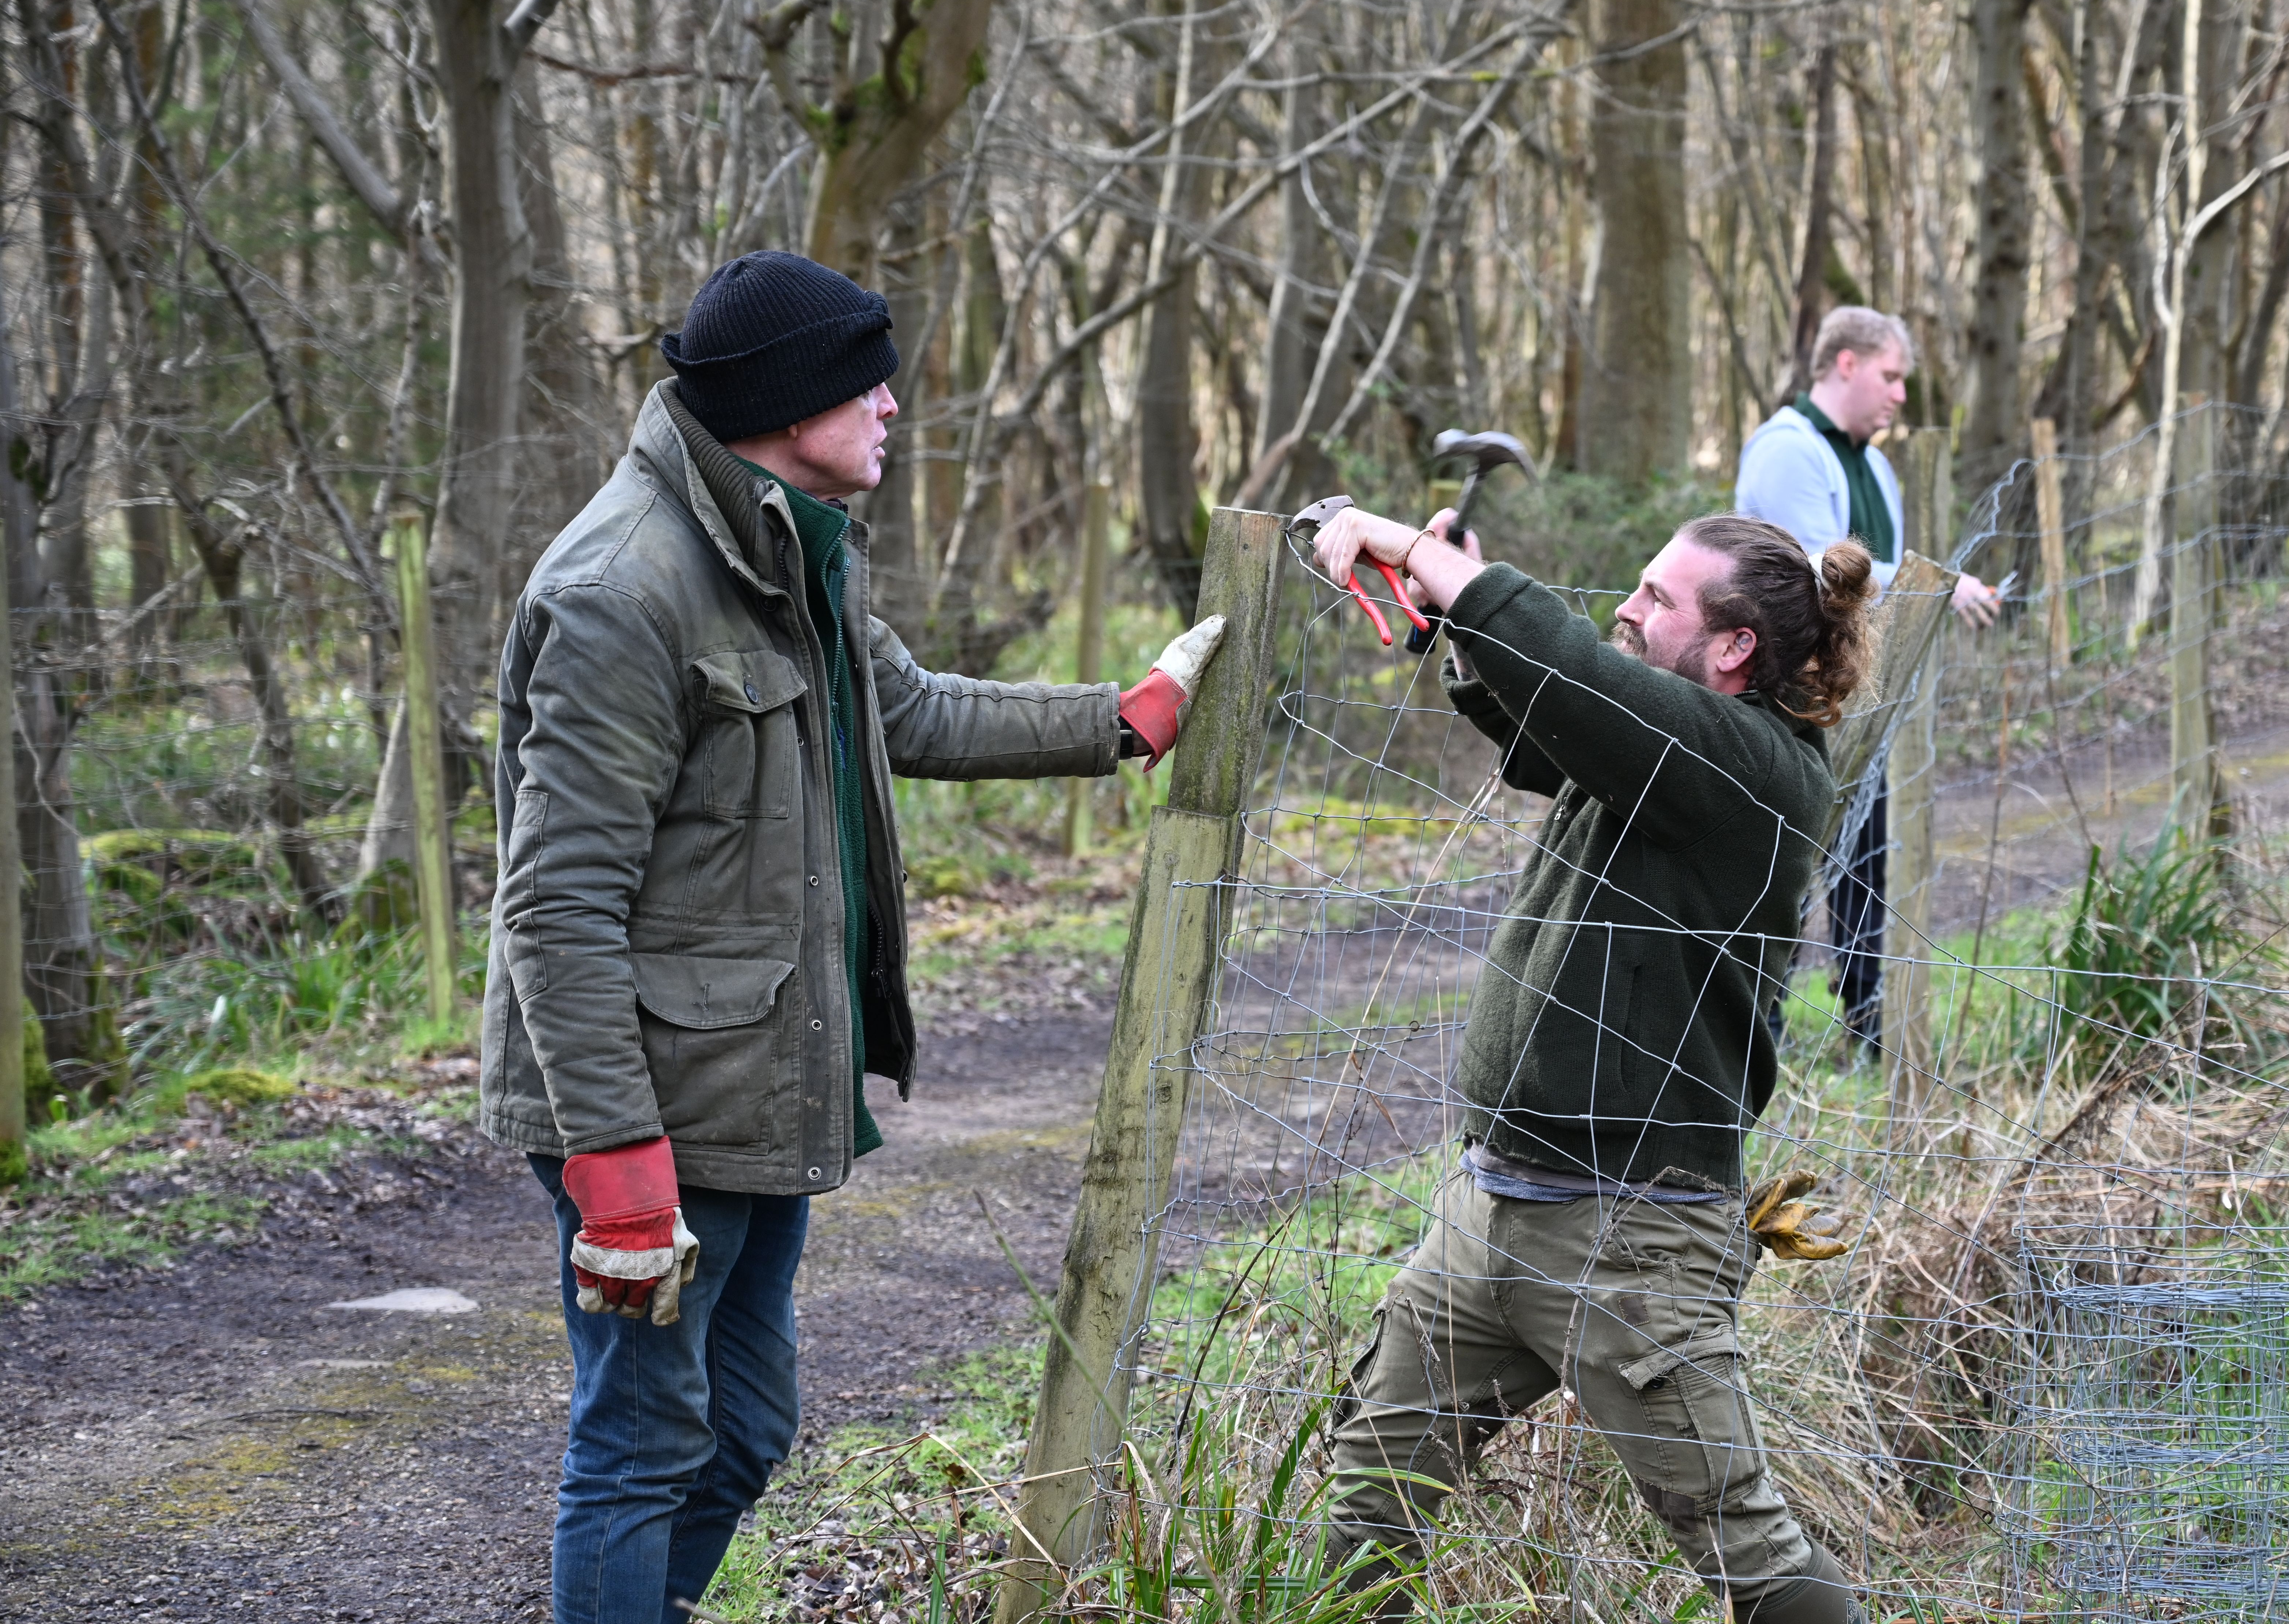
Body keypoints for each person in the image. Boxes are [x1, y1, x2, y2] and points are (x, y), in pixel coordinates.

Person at [475, 249, 1224, 1624]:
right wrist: (617, 1164)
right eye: (863, 382)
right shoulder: (622, 591)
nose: (890, 406)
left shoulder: (786, 546)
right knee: (641, 1443)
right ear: (782, 399)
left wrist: (1124, 717)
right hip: (651, 1101)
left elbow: (916, 712)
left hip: (757, 1073)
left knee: (745, 1426)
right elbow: (555, 901)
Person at [1300, 501, 1877, 1624]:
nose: (1626, 603)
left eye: (1657, 598)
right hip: (1490, 1209)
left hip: (1632, 1240)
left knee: (1743, 1547)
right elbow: (1551, 719)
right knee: (1369, 1489)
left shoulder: (1757, 771)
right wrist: (1444, 619)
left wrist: (1425, 555)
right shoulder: (1646, 751)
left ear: (1732, 649)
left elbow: (1580, 685)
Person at [1732, 306, 1997, 1048]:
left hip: (1856, 697)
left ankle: (1867, 1012)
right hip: (1783, 695)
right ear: (1844, 364)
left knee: (1865, 851)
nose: (1901, 395)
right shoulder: (1786, 450)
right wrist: (1939, 586)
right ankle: (1760, 1022)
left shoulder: (1875, 464)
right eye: (1891, 376)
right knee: (1780, 860)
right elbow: (1819, 570)